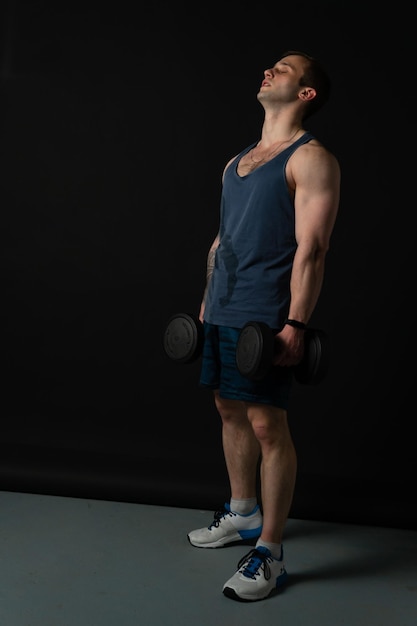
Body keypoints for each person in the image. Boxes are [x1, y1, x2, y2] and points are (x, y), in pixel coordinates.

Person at [187, 50, 341, 602]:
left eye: (286, 69)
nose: (270, 71)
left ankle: (270, 551)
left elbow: (313, 249)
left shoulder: (311, 158)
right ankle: (243, 514)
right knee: (227, 407)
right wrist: (207, 297)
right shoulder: (237, 161)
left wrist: (295, 323)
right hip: (224, 306)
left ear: (306, 94)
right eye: (271, 65)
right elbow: (222, 238)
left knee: (267, 426)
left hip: (268, 314)